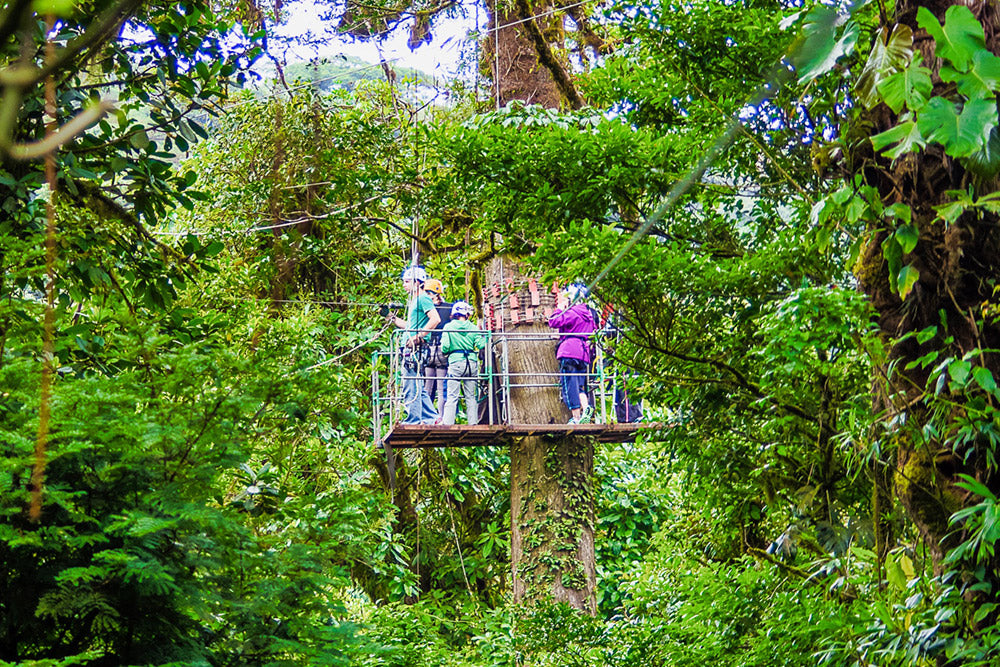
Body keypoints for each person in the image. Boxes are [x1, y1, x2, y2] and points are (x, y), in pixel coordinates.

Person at [392, 266, 440, 424]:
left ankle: (413, 419)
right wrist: (391, 318)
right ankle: (432, 417)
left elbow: (435, 319)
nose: (404, 285)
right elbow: (410, 325)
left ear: (418, 282)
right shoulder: (415, 301)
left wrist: (419, 337)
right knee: (417, 383)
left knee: (410, 383)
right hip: (411, 346)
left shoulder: (423, 298)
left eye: (407, 281)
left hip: (415, 348)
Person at [548, 283, 597, 424]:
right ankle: (586, 407)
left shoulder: (572, 312)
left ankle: (575, 417)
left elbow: (553, 321)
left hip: (569, 351)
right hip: (583, 353)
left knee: (569, 385)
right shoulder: (588, 315)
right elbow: (579, 331)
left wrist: (559, 307)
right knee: (579, 385)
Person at [441, 301, 486, 425]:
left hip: (456, 361)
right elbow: (481, 344)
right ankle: (473, 423)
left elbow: (445, 347)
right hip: (471, 362)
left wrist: (451, 350)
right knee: (471, 396)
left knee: (452, 395)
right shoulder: (473, 327)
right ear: (467, 314)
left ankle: (448, 423)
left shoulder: (448, 327)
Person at [422, 278, 452, 416]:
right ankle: (439, 417)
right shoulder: (449, 309)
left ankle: (430, 416)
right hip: (438, 349)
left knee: (432, 386)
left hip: (433, 348)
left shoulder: (426, 309)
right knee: (436, 387)